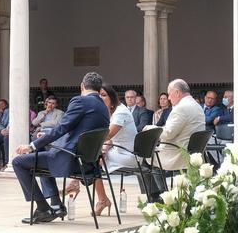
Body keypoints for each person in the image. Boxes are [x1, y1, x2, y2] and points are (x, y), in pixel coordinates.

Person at [14, 72, 109, 224]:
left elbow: (62, 128)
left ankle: (43, 209)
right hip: (88, 163)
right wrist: (45, 140)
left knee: (19, 162)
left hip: (72, 160)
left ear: (82, 86)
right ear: (98, 89)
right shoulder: (103, 107)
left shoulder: (80, 101)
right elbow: (78, 131)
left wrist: (31, 146)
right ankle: (56, 205)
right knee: (43, 153)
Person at [66, 84, 137, 216]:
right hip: (118, 151)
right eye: (98, 95)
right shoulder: (109, 111)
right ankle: (97, 196)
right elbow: (108, 140)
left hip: (128, 154)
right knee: (93, 157)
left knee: (93, 159)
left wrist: (96, 145)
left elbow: (108, 135)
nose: (100, 98)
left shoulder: (120, 111)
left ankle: (81, 186)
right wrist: (103, 148)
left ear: (112, 98)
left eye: (104, 95)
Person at [143, 78, 205, 201]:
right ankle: (164, 195)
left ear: (177, 92)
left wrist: (151, 128)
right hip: (190, 150)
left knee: (143, 159)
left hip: (177, 152)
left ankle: (162, 196)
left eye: (169, 94)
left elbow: (168, 133)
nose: (169, 98)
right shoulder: (196, 105)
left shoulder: (181, 108)